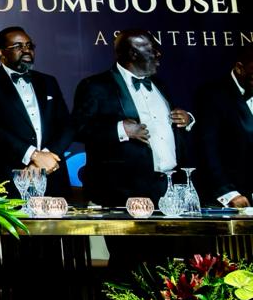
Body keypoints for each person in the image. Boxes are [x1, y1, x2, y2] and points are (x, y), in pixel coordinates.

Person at [73, 29, 194, 206]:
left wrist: (187, 119)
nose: (158, 54)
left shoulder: (160, 84)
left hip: (169, 189)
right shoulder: (95, 85)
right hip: (122, 192)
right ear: (132, 54)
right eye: (152, 49)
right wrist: (121, 130)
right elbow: (78, 129)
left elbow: (166, 127)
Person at [0, 27, 72, 196]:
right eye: (18, 46)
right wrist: (32, 155)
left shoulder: (48, 81)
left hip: (52, 173)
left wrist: (45, 157)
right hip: (10, 176)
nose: (26, 50)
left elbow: (67, 125)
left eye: (29, 45)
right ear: (0, 52)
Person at [199, 44, 253, 207]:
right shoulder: (212, 95)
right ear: (239, 68)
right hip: (233, 197)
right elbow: (208, 151)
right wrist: (228, 194)